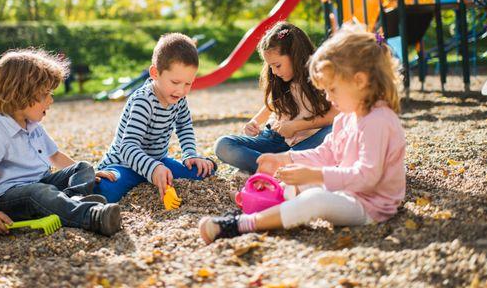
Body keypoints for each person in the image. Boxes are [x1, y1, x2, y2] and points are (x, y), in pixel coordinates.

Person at [199, 26, 406, 243]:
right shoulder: (347, 116)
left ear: (360, 81)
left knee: (314, 199)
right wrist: (285, 159)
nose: (327, 98)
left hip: (371, 205)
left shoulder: (378, 120)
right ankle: (263, 208)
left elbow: (367, 177)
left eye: (332, 90)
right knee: (293, 185)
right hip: (349, 192)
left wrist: (315, 175)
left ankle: (241, 224)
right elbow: (326, 152)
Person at [0, 49, 120, 236]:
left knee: (83, 167)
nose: (51, 100)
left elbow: (55, 156)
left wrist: (89, 173)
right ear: (20, 94)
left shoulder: (32, 125)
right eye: (45, 94)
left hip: (40, 185)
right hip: (8, 199)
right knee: (39, 192)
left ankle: (75, 200)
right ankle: (91, 215)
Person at [95, 33, 215, 203]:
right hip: (124, 165)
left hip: (158, 161)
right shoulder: (143, 101)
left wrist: (190, 154)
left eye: (188, 84)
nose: (181, 90)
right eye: (175, 82)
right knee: (107, 191)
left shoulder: (178, 98)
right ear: (155, 73)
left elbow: (184, 126)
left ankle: (156, 174)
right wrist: (153, 168)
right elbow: (127, 147)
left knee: (202, 171)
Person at [214, 22, 337, 174]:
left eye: (277, 65)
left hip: (306, 143)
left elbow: (335, 115)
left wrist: (296, 126)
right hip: (273, 139)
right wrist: (255, 121)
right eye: (270, 66)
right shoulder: (281, 78)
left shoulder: (321, 75)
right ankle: (280, 167)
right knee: (224, 145)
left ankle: (267, 166)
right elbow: (273, 103)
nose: (274, 71)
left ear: (295, 56)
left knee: (334, 131)